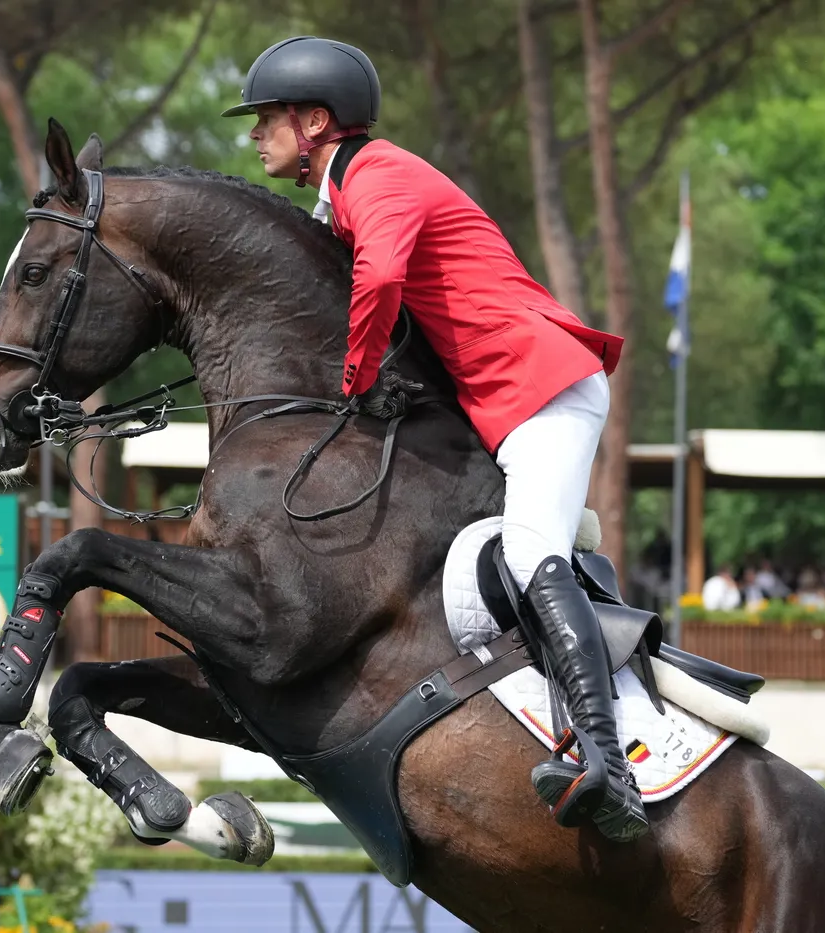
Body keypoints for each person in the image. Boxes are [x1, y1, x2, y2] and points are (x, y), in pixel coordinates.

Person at [222, 37, 642, 841]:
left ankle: (607, 764)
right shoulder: (344, 191)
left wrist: (352, 380)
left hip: (540, 382)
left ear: (316, 123)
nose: (255, 133)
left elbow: (380, 278)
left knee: (530, 554)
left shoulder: (378, 175)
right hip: (501, 395)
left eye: (267, 117)